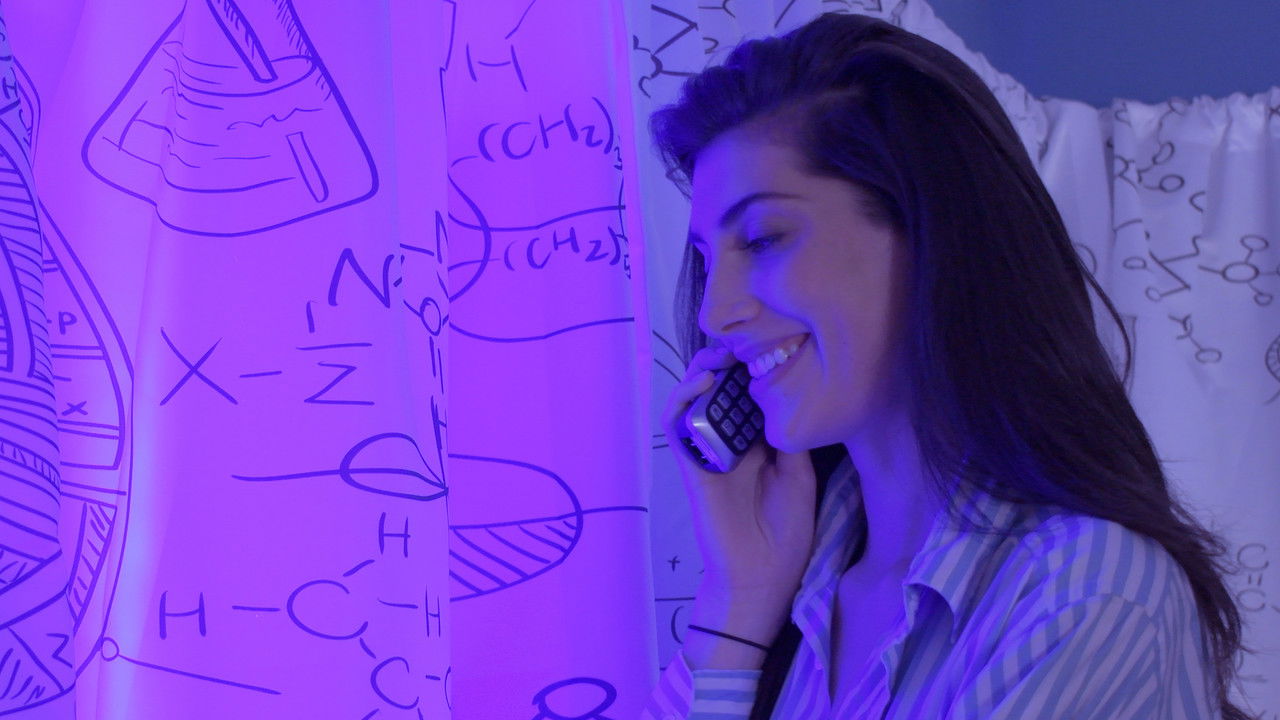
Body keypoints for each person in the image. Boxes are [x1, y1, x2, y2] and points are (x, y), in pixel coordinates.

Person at [641, 12, 1248, 720]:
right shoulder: (804, 584)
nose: (716, 313)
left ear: (931, 230)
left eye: (763, 239)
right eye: (708, 260)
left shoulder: (1081, 591)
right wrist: (739, 599)